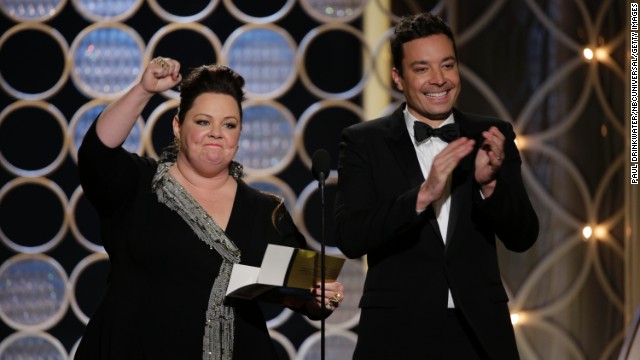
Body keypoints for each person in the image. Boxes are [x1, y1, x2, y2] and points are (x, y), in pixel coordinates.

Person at [75, 57, 345, 360]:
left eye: (229, 124)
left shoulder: (263, 211)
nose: (216, 133)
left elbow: (296, 289)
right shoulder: (138, 185)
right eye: (203, 121)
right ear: (178, 126)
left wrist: (319, 298)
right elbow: (96, 153)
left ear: (239, 134)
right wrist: (143, 90)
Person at [334, 12, 538, 360]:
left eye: (447, 65)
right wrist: (421, 197)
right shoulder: (363, 142)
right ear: (398, 77)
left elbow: (523, 236)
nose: (439, 80)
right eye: (422, 68)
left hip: (479, 332)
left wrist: (489, 187)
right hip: (396, 332)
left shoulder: (492, 135)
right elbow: (351, 237)